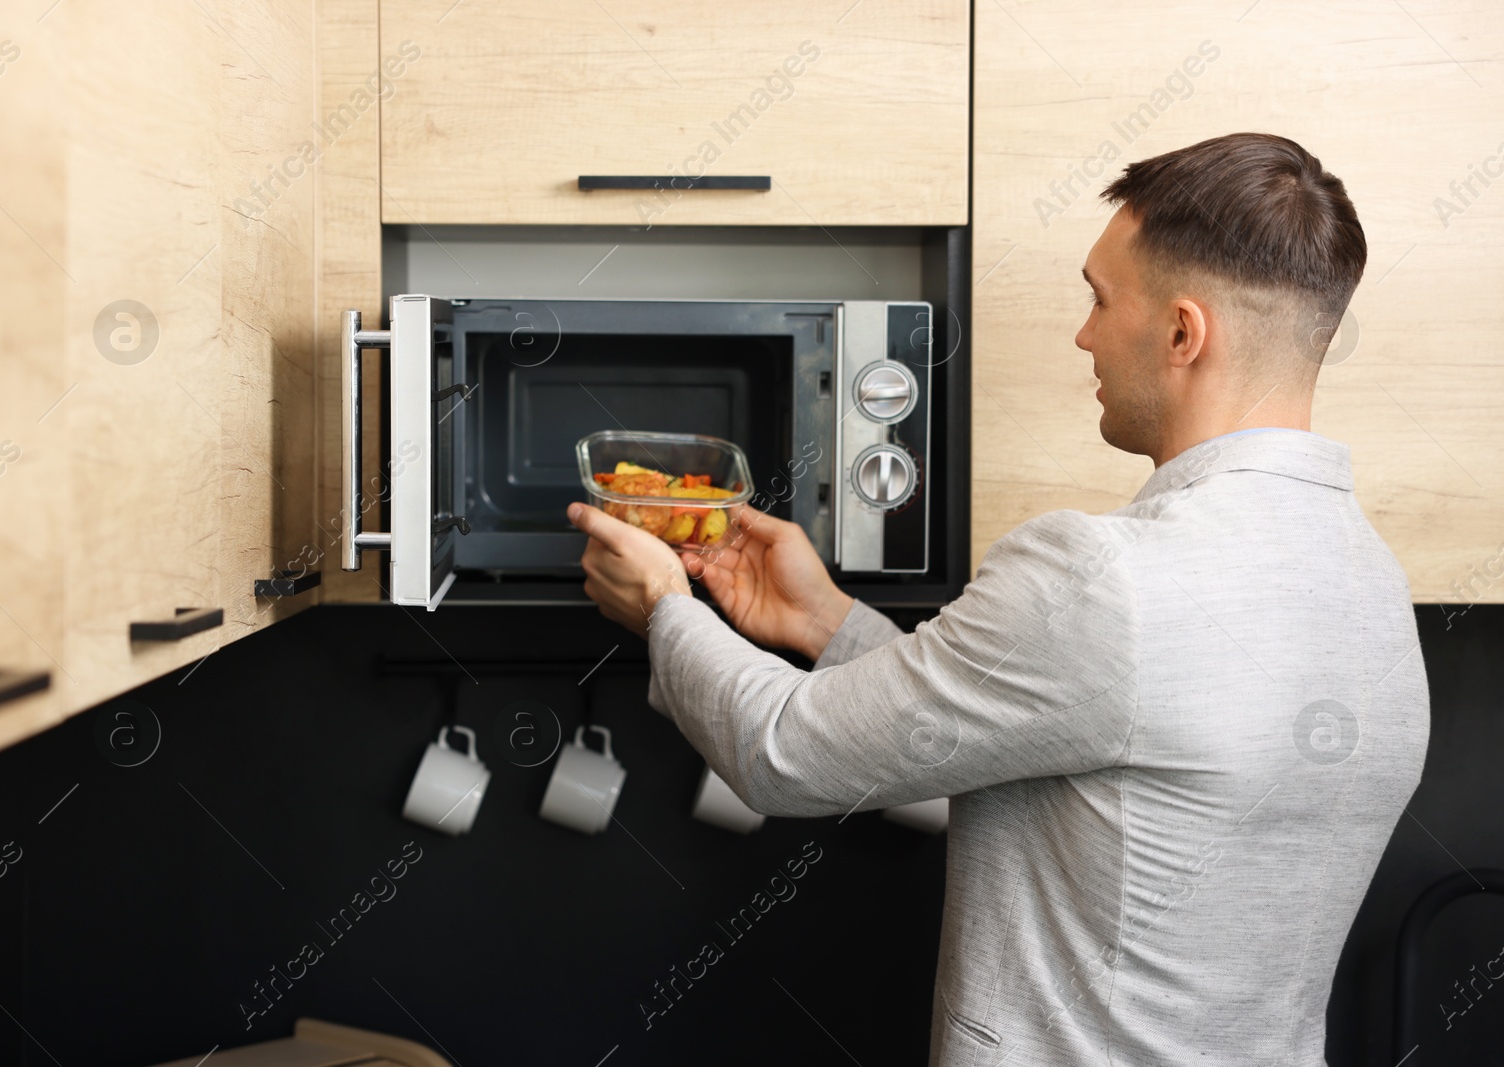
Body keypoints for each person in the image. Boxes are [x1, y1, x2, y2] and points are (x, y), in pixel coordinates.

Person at [567, 132, 1429, 1067]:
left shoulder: (1104, 576)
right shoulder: (1373, 581)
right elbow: (1045, 737)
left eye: (1100, 299)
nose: (1083, 333)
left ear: (1184, 334)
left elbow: (782, 752)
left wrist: (662, 601)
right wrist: (824, 621)